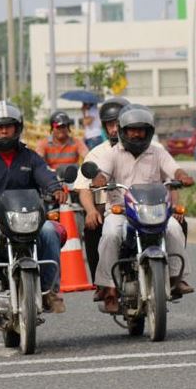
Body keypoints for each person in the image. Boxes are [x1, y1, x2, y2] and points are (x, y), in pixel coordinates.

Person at [0, 102, 68, 315]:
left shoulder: (30, 156)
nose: (4, 130)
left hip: (29, 218)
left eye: (8, 126)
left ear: (17, 128)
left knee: (50, 232)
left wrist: (55, 188)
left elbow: (45, 175)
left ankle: (50, 290)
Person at [91, 104, 196, 312]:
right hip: (121, 211)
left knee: (174, 228)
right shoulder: (112, 153)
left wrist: (182, 176)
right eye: (132, 129)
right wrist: (99, 179)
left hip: (152, 209)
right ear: (123, 131)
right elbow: (101, 172)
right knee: (111, 234)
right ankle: (108, 288)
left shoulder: (157, 151)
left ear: (149, 132)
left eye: (142, 130)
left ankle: (177, 278)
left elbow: (173, 168)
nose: (137, 134)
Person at [75, 97, 129, 280]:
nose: (114, 129)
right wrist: (90, 211)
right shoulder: (96, 153)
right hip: (107, 208)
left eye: (118, 124)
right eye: (110, 125)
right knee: (92, 226)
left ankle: (174, 276)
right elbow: (84, 188)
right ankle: (102, 284)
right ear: (104, 127)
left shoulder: (147, 149)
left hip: (141, 208)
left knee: (175, 223)